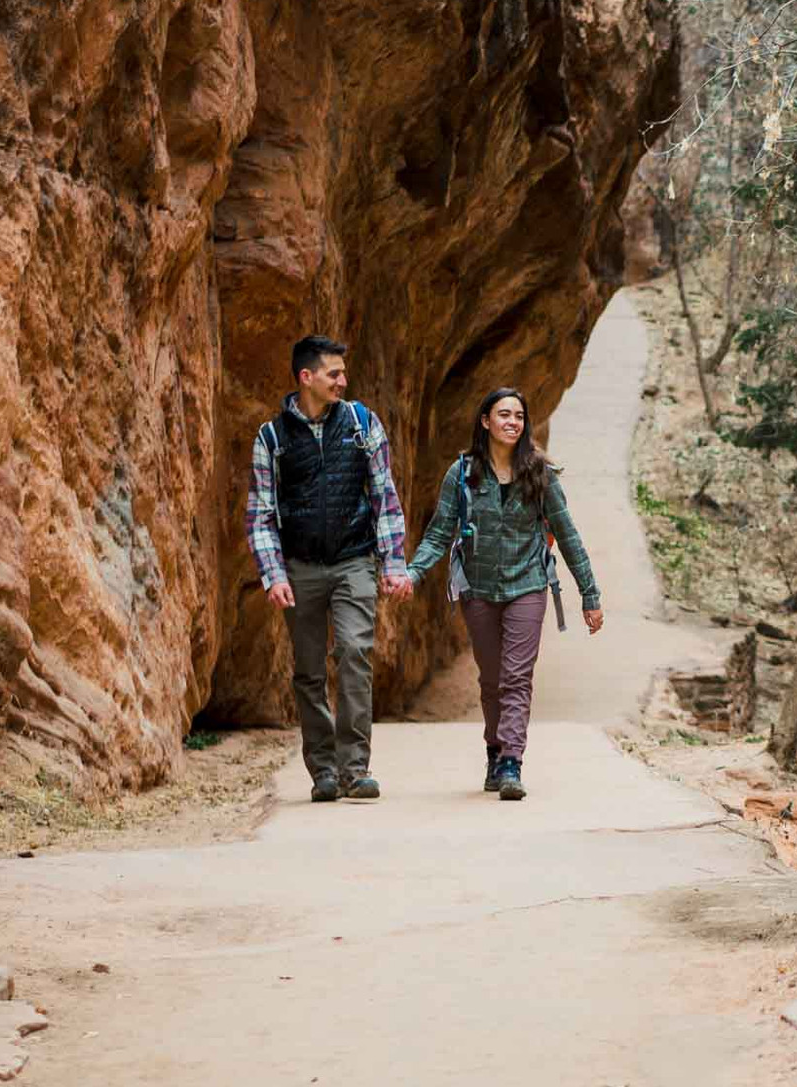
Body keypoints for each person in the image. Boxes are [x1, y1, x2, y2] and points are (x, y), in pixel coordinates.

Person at [408, 387, 603, 800]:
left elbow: (567, 535)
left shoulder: (540, 473)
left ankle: (512, 761)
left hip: (527, 584)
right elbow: (440, 532)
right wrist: (413, 573)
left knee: (516, 676)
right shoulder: (462, 474)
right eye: (504, 414)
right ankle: (495, 750)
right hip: (478, 588)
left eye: (518, 416)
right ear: (486, 421)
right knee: (492, 678)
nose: (512, 422)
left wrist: (590, 594)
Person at [246, 335, 414, 803]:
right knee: (308, 671)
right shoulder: (272, 438)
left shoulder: (361, 423)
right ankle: (323, 769)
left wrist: (393, 563)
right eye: (333, 373)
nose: (343, 381)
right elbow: (260, 513)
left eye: (343, 373)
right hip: (299, 567)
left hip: (353, 560)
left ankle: (355, 769)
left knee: (355, 653)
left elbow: (384, 495)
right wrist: (274, 574)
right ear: (307, 377)